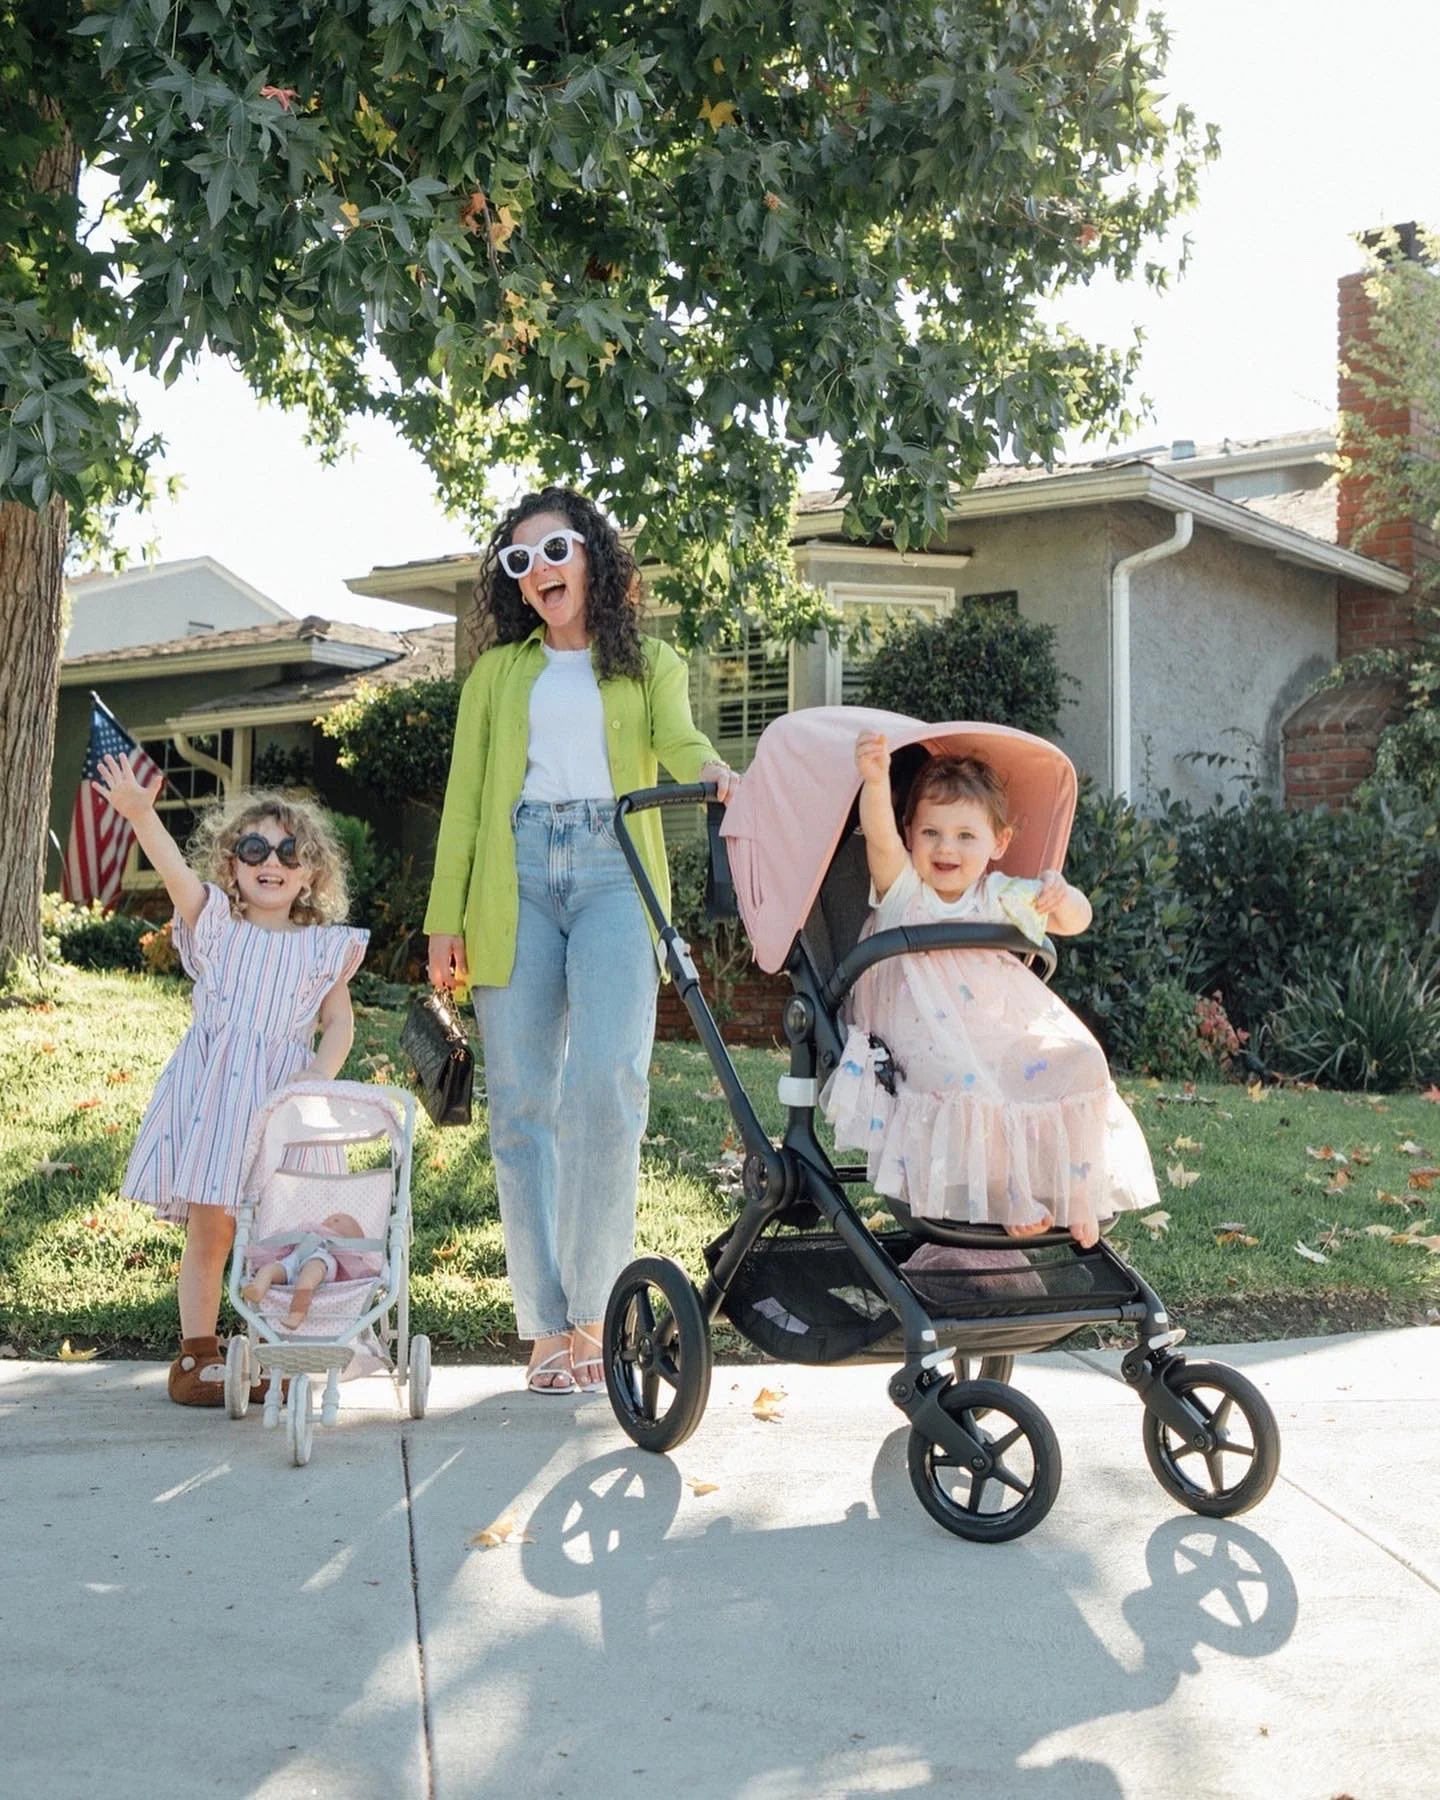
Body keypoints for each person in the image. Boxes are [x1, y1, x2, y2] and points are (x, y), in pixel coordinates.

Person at [425, 486, 738, 1396]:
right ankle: (544, 1326)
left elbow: (679, 741)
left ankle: (597, 1313)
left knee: (607, 1086)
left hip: (615, 872)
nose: (538, 571)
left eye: (554, 549)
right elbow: (463, 802)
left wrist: (713, 772)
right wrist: (445, 918)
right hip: (512, 876)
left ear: (593, 555)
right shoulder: (496, 675)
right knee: (522, 1106)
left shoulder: (650, 661)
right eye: (518, 561)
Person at [94, 757, 368, 1404]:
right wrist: (141, 816)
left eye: (289, 852)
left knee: (282, 1230)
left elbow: (339, 1023)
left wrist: (315, 1077)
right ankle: (198, 1355)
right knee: (213, 1228)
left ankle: (275, 1348)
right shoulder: (215, 924)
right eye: (254, 849)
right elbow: (174, 874)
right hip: (219, 1099)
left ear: (311, 872)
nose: (272, 862)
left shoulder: (323, 947)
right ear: (231, 865)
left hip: (285, 1104)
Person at [822, 730, 1158, 1248]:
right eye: (931, 832)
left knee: (1080, 1059)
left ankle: (1076, 1191)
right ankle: (1006, 1193)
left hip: (991, 1029)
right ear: (910, 834)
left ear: (998, 843)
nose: (946, 847)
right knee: (969, 1082)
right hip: (921, 1032)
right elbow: (881, 842)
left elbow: (1076, 922)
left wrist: (1063, 897)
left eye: (965, 835)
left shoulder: (997, 895)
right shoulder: (904, 892)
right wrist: (875, 780)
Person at [240, 1209, 380, 1329]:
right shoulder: (310, 1231)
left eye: (337, 1220)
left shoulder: (338, 1250)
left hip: (321, 1260)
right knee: (269, 1269)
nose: (329, 1220)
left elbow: (355, 1266)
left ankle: (297, 1313)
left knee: (308, 1276)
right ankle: (258, 1289)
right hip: (291, 1262)